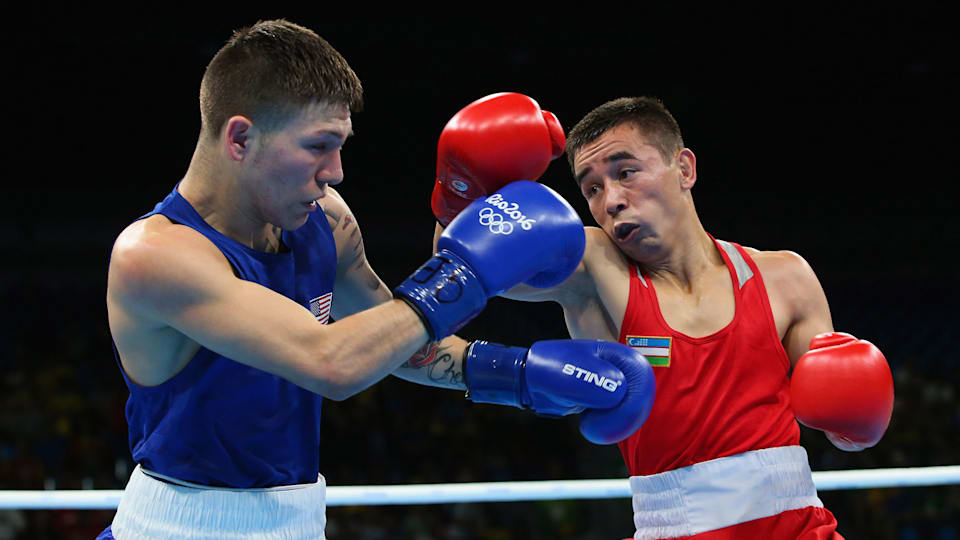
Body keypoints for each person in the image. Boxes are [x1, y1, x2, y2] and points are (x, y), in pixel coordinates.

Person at [97, 20, 656, 540]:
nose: (335, 171)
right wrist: (464, 270)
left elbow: (391, 344)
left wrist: (519, 374)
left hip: (298, 522)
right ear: (240, 139)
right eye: (318, 145)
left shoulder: (326, 221)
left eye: (340, 146)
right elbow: (331, 362)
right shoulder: (155, 254)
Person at [430, 96, 895, 539]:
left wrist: (856, 423)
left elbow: (845, 428)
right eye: (592, 188)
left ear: (685, 168)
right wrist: (458, 188)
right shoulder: (595, 266)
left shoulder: (785, 277)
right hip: (674, 528)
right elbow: (463, 268)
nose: (610, 200)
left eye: (625, 172)